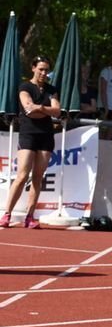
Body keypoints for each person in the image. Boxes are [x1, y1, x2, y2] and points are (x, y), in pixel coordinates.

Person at [0, 56, 61, 229]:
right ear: (33, 68)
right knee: (21, 176)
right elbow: (28, 109)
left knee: (38, 177)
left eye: (46, 70)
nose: (43, 73)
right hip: (28, 134)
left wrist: (40, 108)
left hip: (46, 135)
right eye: (41, 69)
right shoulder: (25, 86)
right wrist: (44, 110)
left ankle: (30, 216)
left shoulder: (51, 89)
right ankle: (7, 214)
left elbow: (57, 111)